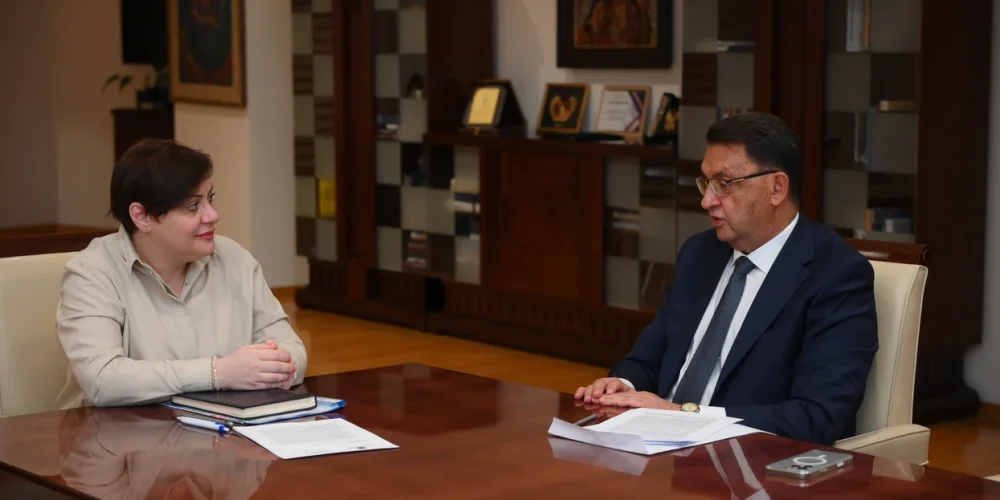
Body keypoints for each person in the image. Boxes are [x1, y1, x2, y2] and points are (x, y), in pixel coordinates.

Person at [574, 113, 878, 445]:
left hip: (747, 459)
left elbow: (816, 416)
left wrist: (682, 415)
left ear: (777, 188)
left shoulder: (835, 275)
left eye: (724, 184)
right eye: (706, 183)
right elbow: (651, 355)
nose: (707, 201)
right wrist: (623, 385)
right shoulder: (700, 252)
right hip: (655, 447)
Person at [54, 139, 308, 409]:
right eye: (193, 206)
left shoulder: (234, 259)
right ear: (142, 216)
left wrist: (276, 369)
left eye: (210, 199)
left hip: (224, 426)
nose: (213, 215)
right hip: (115, 431)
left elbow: (291, 347)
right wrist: (218, 373)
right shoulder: (92, 273)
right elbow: (102, 380)